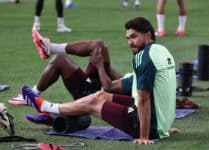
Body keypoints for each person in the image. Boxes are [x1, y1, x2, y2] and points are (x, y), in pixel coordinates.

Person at [22, 17, 178, 144]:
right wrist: (165, 126)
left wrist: (145, 136)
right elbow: (166, 90)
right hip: (156, 123)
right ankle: (47, 107)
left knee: (94, 101)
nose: (130, 42)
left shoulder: (143, 58)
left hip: (146, 127)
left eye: (134, 37)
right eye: (128, 38)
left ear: (148, 35)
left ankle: (45, 106)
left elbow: (143, 100)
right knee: (99, 96)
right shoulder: (163, 51)